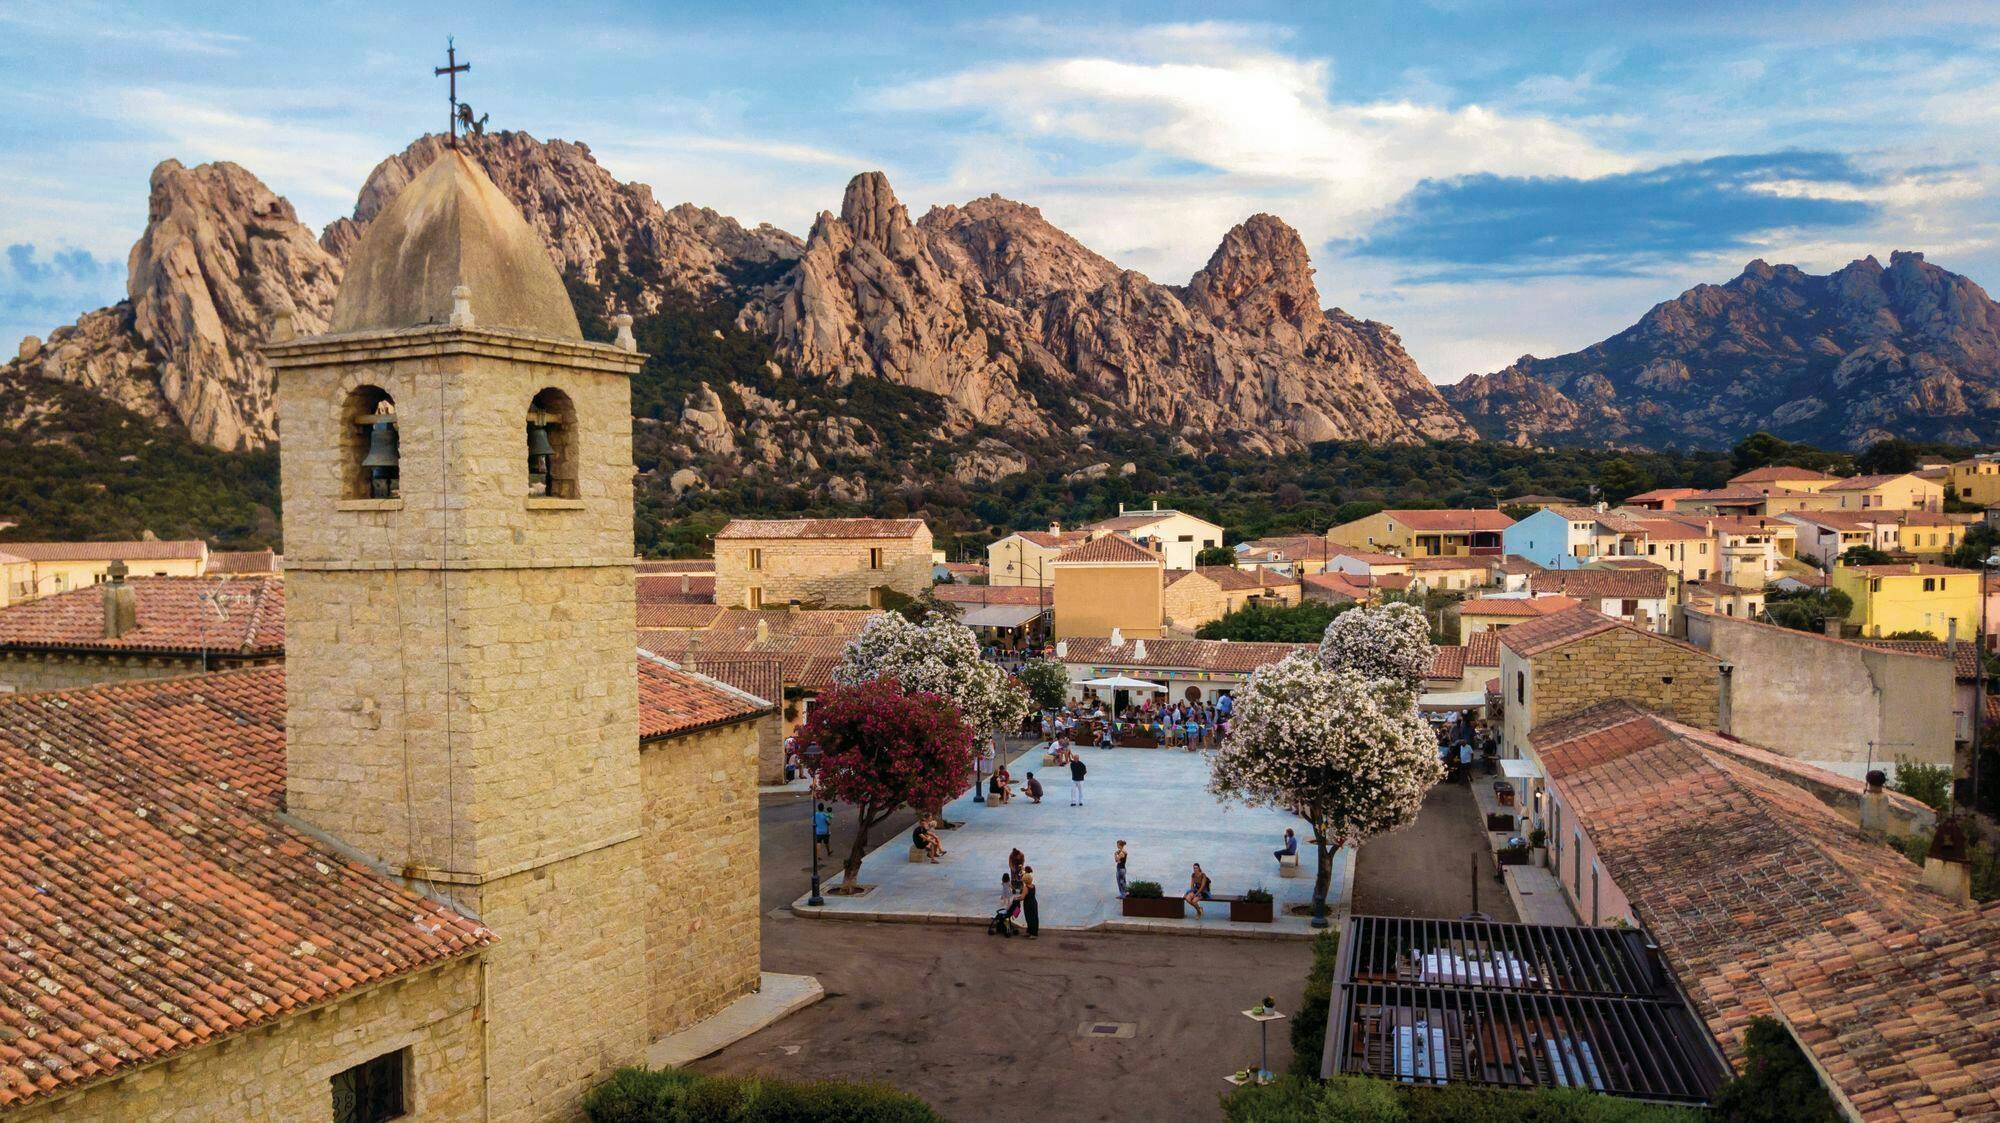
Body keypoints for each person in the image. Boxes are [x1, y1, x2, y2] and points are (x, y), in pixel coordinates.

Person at [1019, 865, 1040, 939]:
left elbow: (1022, 897)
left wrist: (1016, 898)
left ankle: (1033, 933)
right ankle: (1031, 932)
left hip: (1028, 904)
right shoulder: (1033, 886)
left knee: (1029, 918)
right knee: (1034, 917)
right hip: (1034, 903)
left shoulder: (1025, 888)